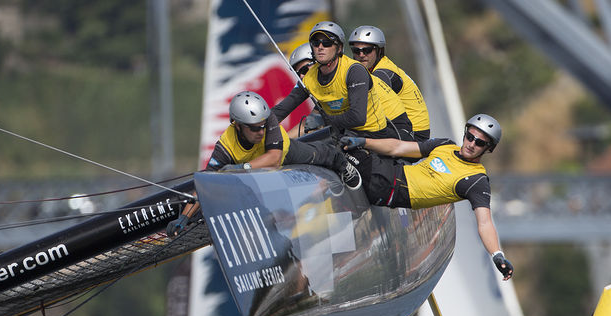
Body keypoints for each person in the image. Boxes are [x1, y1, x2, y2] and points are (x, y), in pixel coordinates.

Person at [339, 113, 515, 280]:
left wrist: (497, 255)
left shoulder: (477, 181)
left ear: (488, 148)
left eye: (479, 143)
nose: (471, 144)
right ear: (465, 133)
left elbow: (485, 222)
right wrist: (363, 142)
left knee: (336, 154)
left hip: (389, 189)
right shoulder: (445, 145)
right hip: (388, 172)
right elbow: (398, 147)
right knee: (341, 140)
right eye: (470, 136)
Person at [167, 90, 353, 235]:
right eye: (255, 128)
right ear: (238, 125)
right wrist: (184, 217)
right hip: (257, 175)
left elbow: (274, 158)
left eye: (263, 126)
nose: (261, 132)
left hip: (284, 152)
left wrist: (240, 168)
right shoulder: (225, 146)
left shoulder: (268, 120)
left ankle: (345, 164)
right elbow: (205, 183)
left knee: (322, 155)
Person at [270, 21, 404, 143]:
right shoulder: (310, 77)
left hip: (376, 135)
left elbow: (357, 117)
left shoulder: (355, 71)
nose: (320, 47)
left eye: (327, 43)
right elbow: (282, 109)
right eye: (316, 43)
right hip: (345, 133)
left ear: (339, 48)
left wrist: (322, 121)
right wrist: (258, 127)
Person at [349, 25, 431, 140]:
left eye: (367, 50)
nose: (361, 55)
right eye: (356, 51)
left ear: (379, 50)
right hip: (405, 129)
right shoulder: (375, 68)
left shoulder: (384, 73)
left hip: (414, 135)